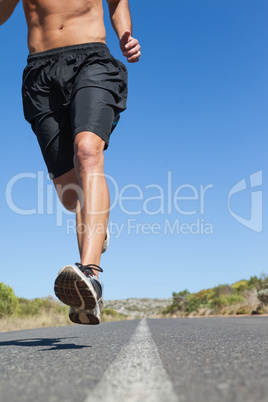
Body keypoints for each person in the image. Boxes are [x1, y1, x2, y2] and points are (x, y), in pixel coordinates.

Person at [0, 0, 141, 325]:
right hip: (40, 74)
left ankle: (89, 274)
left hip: (92, 60)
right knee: (69, 196)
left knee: (88, 151)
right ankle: (98, 227)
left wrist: (124, 35)